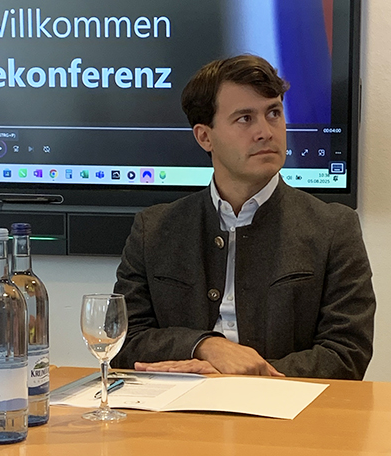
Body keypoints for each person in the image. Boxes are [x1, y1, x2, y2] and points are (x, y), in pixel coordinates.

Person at [111, 55, 375, 379]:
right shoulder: (153, 230)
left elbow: (347, 354)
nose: (265, 132)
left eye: (273, 113)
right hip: (176, 403)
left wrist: (243, 377)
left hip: (286, 405)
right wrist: (204, 346)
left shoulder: (334, 228)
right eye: (245, 118)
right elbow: (122, 341)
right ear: (205, 137)